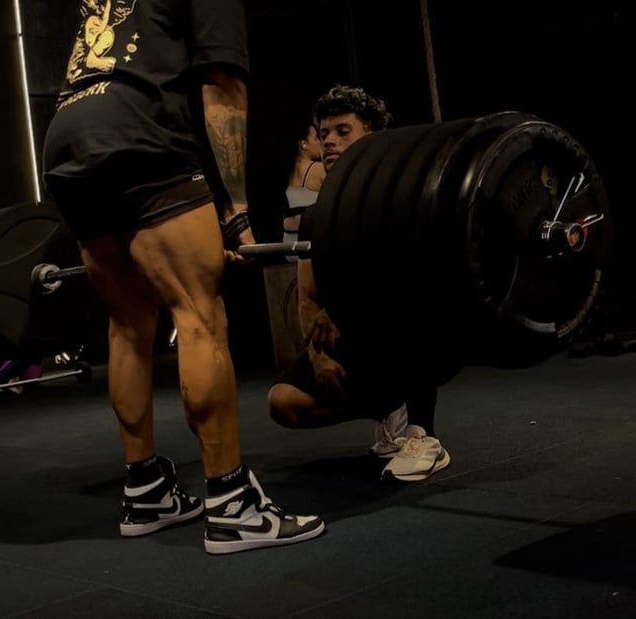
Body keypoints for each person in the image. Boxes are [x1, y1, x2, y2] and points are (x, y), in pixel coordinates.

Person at [42, 0, 324, 555]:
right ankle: (233, 506)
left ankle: (146, 490)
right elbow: (222, 88)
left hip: (67, 138)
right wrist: (237, 209)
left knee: (127, 323)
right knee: (197, 315)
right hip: (138, 131)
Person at [267, 84, 450, 482]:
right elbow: (307, 296)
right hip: (360, 340)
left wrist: (343, 309)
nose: (329, 141)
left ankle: (423, 435)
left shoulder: (402, 199)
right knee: (282, 401)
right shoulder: (315, 217)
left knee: (413, 308)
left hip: (410, 329)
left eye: (342, 131)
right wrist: (318, 356)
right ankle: (388, 408)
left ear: (373, 137)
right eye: (324, 133)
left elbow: (411, 282)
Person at [282, 120, 326, 254]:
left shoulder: (286, 173)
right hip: (311, 246)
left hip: (288, 246)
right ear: (304, 144)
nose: (321, 142)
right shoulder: (319, 169)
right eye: (316, 138)